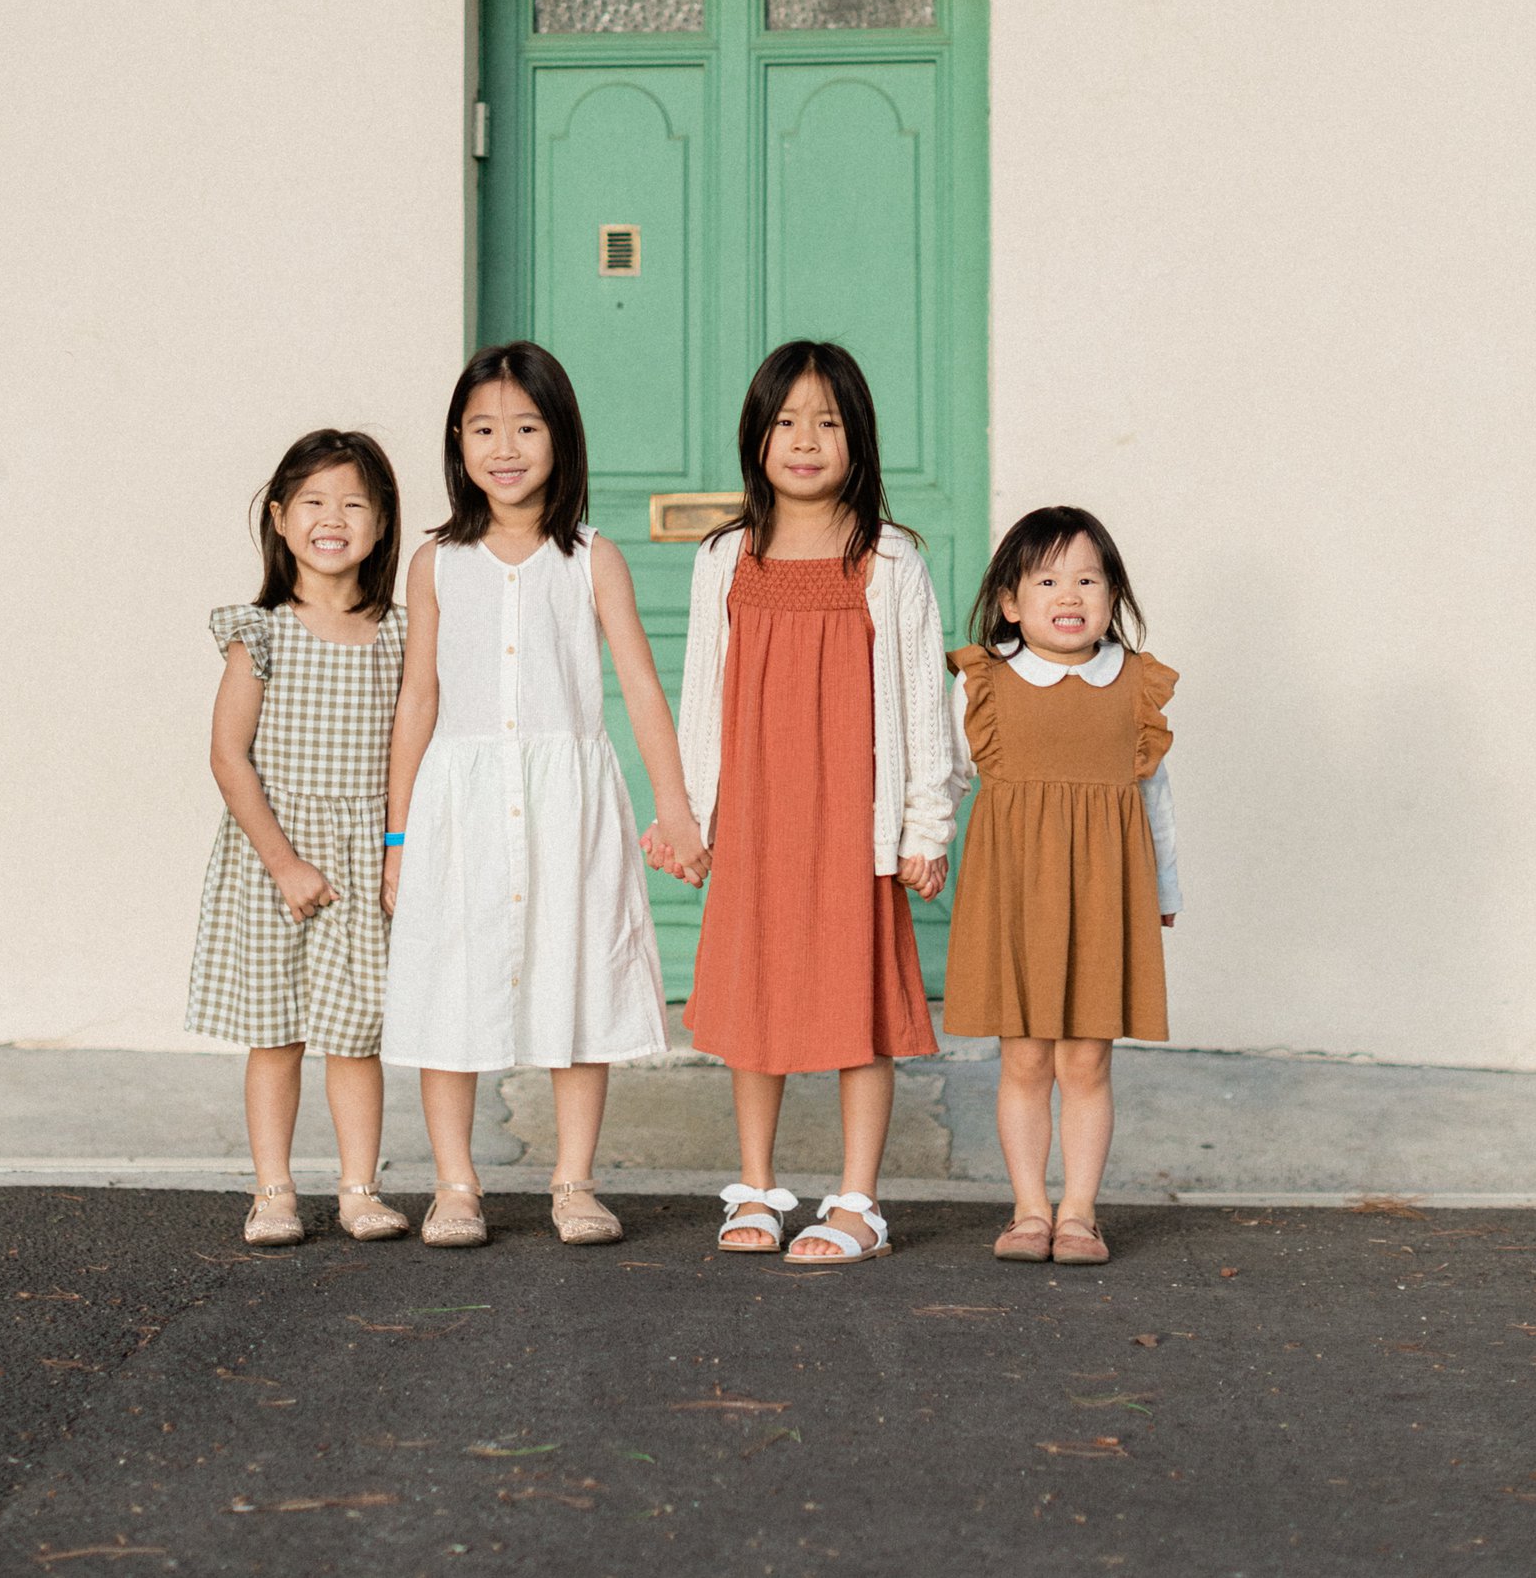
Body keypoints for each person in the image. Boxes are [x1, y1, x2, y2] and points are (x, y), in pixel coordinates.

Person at [380, 342, 706, 1249]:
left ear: (561, 437)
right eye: (483, 429)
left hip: (569, 803)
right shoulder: (436, 562)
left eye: (526, 427)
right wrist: (398, 838)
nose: (505, 448)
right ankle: (455, 1184)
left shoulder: (592, 558)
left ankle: (573, 1180)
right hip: (460, 803)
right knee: (452, 981)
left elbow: (641, 687)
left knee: (578, 975)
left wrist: (676, 809)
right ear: (458, 442)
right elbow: (418, 699)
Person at [676, 341, 958, 1265]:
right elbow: (702, 693)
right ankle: (756, 1188)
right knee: (755, 1000)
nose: (805, 441)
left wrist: (926, 825)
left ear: (858, 437)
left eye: (827, 422)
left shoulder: (891, 559)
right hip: (757, 815)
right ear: (756, 437)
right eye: (787, 422)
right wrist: (691, 816)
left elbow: (924, 702)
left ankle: (858, 1203)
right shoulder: (725, 556)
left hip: (851, 817)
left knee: (855, 1004)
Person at [187, 427, 409, 1248]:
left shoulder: (399, 633)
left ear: (381, 524)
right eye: (313, 501)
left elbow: (411, 749)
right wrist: (284, 863)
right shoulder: (262, 632)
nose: (333, 519)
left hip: (361, 857)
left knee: (356, 1035)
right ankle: (274, 1191)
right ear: (280, 519)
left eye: (354, 503)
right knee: (276, 1032)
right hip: (274, 857)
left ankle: (358, 1188)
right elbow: (228, 756)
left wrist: (397, 850)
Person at [943, 505, 1181, 1266]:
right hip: (1014, 890)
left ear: (1112, 597)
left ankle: (1078, 1213)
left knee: (1085, 1061)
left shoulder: (1135, 685)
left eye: (1088, 579)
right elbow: (947, 778)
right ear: (1011, 602)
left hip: (1105, 891)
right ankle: (1028, 1211)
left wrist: (1165, 891)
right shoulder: (984, 682)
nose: (1069, 594)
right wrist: (921, 847)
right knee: (1024, 1060)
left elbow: (1155, 797)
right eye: (1047, 581)